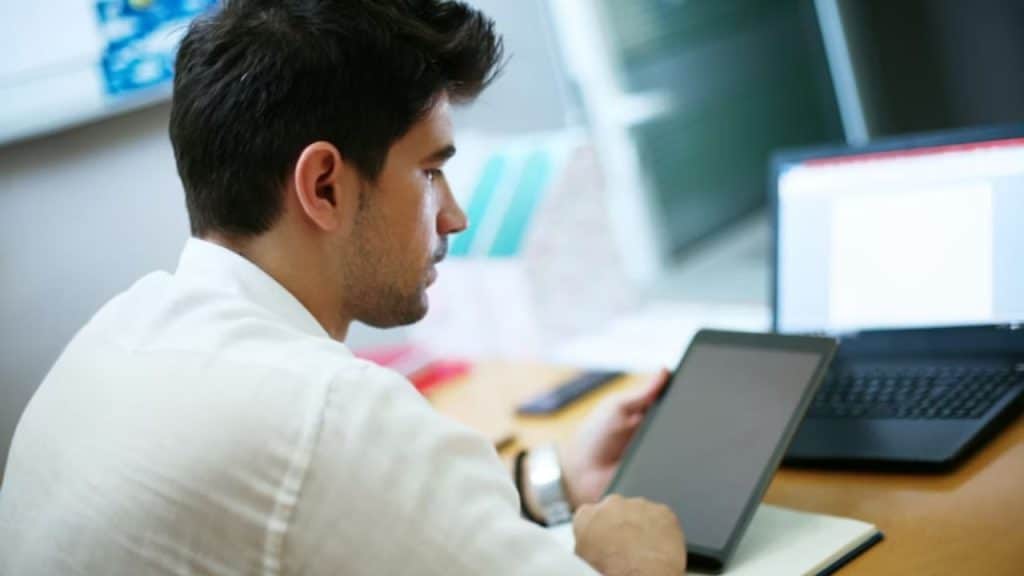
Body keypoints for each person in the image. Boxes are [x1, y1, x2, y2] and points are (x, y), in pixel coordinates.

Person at [0, 1, 687, 574]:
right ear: (323, 185)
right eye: (428, 171)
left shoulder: (114, 336)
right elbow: (331, 471)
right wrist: (636, 562)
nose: (455, 214)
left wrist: (551, 481)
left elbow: (357, 525)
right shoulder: (328, 414)